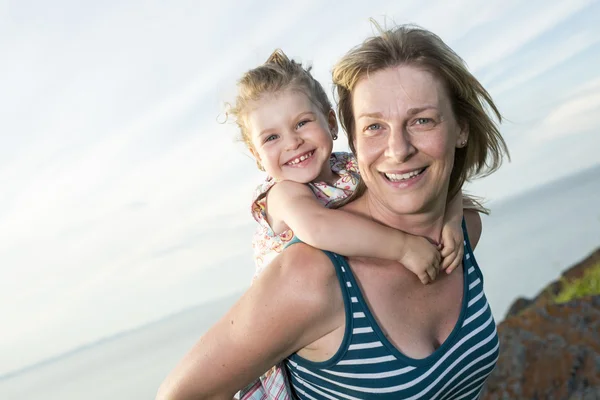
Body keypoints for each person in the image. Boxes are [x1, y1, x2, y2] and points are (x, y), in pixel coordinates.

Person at [156, 23, 508, 400]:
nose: (398, 149)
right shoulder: (299, 245)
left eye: (422, 120)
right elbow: (180, 394)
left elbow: (446, 188)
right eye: (375, 126)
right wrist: (403, 247)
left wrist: (453, 215)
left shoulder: (460, 231)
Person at [227, 49, 470, 399]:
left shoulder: (351, 168)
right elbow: (320, 228)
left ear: (331, 121)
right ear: (256, 155)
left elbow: (431, 184)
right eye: (271, 138)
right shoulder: (283, 195)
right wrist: (402, 247)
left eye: (302, 123)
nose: (293, 142)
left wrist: (451, 215)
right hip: (292, 335)